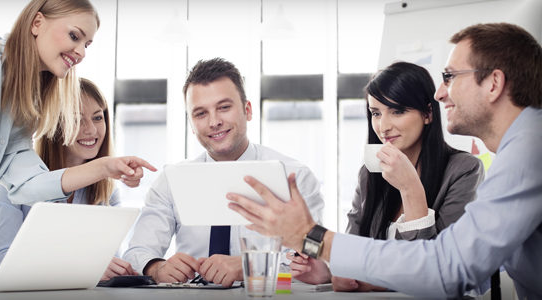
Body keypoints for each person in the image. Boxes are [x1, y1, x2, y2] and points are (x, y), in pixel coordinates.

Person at [228, 22, 542, 299]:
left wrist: (312, 236)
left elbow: (449, 270)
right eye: (376, 112)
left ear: (493, 83)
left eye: (450, 77)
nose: (441, 92)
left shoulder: (525, 154)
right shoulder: (521, 149)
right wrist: (330, 270)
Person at [0, 0, 155, 285]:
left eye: (88, 44)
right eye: (75, 36)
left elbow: (27, 185)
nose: (81, 52)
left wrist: (105, 168)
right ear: (37, 23)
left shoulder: (25, 96)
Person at [122, 58, 325, 287]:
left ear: (247, 110)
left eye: (224, 108)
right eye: (200, 113)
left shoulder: (295, 178)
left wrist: (250, 266)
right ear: (191, 124)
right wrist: (157, 268)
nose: (214, 122)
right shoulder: (171, 181)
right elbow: (137, 252)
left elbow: (313, 260)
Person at [288, 62, 484, 291]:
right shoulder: (370, 172)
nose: (383, 126)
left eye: (398, 111)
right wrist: (328, 271)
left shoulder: (464, 170)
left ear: (428, 113)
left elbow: (435, 271)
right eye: (376, 113)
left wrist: (411, 189)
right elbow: (355, 250)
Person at [0, 78, 138, 280]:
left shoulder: (108, 190)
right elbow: (1, 263)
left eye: (97, 118)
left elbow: (110, 262)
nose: (92, 130)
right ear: (54, 125)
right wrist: (84, 266)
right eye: (77, 120)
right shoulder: (15, 183)